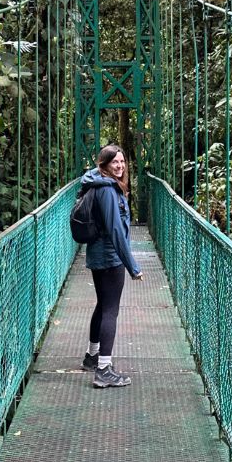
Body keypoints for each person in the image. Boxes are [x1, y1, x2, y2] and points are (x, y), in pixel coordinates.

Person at [79, 144, 144, 388]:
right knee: (110, 311)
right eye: (114, 162)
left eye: (122, 161)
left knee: (103, 305)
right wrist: (132, 266)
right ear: (104, 165)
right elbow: (116, 230)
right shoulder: (107, 190)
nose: (120, 166)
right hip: (110, 257)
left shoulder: (98, 184)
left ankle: (92, 356)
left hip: (99, 255)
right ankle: (104, 370)